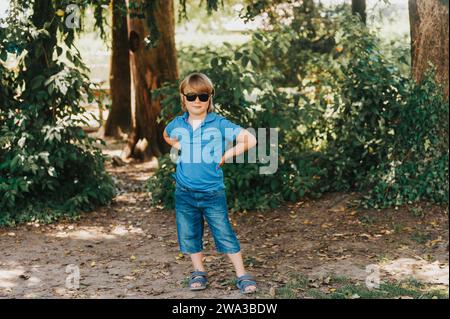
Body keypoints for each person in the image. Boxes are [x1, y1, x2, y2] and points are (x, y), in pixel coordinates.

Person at [163, 72, 258, 294]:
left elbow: (251, 139)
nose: (197, 101)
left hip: (212, 192)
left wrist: (227, 155)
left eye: (203, 96)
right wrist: (181, 147)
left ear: (210, 98)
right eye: (192, 96)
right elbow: (166, 135)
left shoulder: (219, 123)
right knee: (189, 233)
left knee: (224, 232)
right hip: (184, 192)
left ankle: (242, 274)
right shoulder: (178, 124)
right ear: (183, 98)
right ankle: (198, 271)